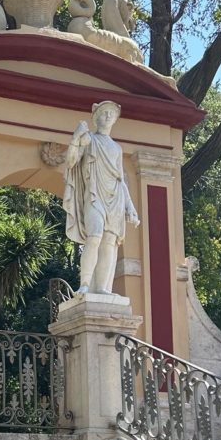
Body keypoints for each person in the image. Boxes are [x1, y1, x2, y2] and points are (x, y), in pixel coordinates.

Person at [62, 100, 139, 295]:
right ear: (95, 117)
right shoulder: (89, 140)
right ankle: (85, 284)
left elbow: (121, 180)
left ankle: (103, 288)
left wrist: (130, 207)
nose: (107, 117)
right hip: (94, 196)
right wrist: (76, 138)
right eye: (104, 112)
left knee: (108, 243)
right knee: (94, 237)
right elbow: (71, 162)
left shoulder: (117, 149)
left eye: (111, 114)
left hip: (115, 198)